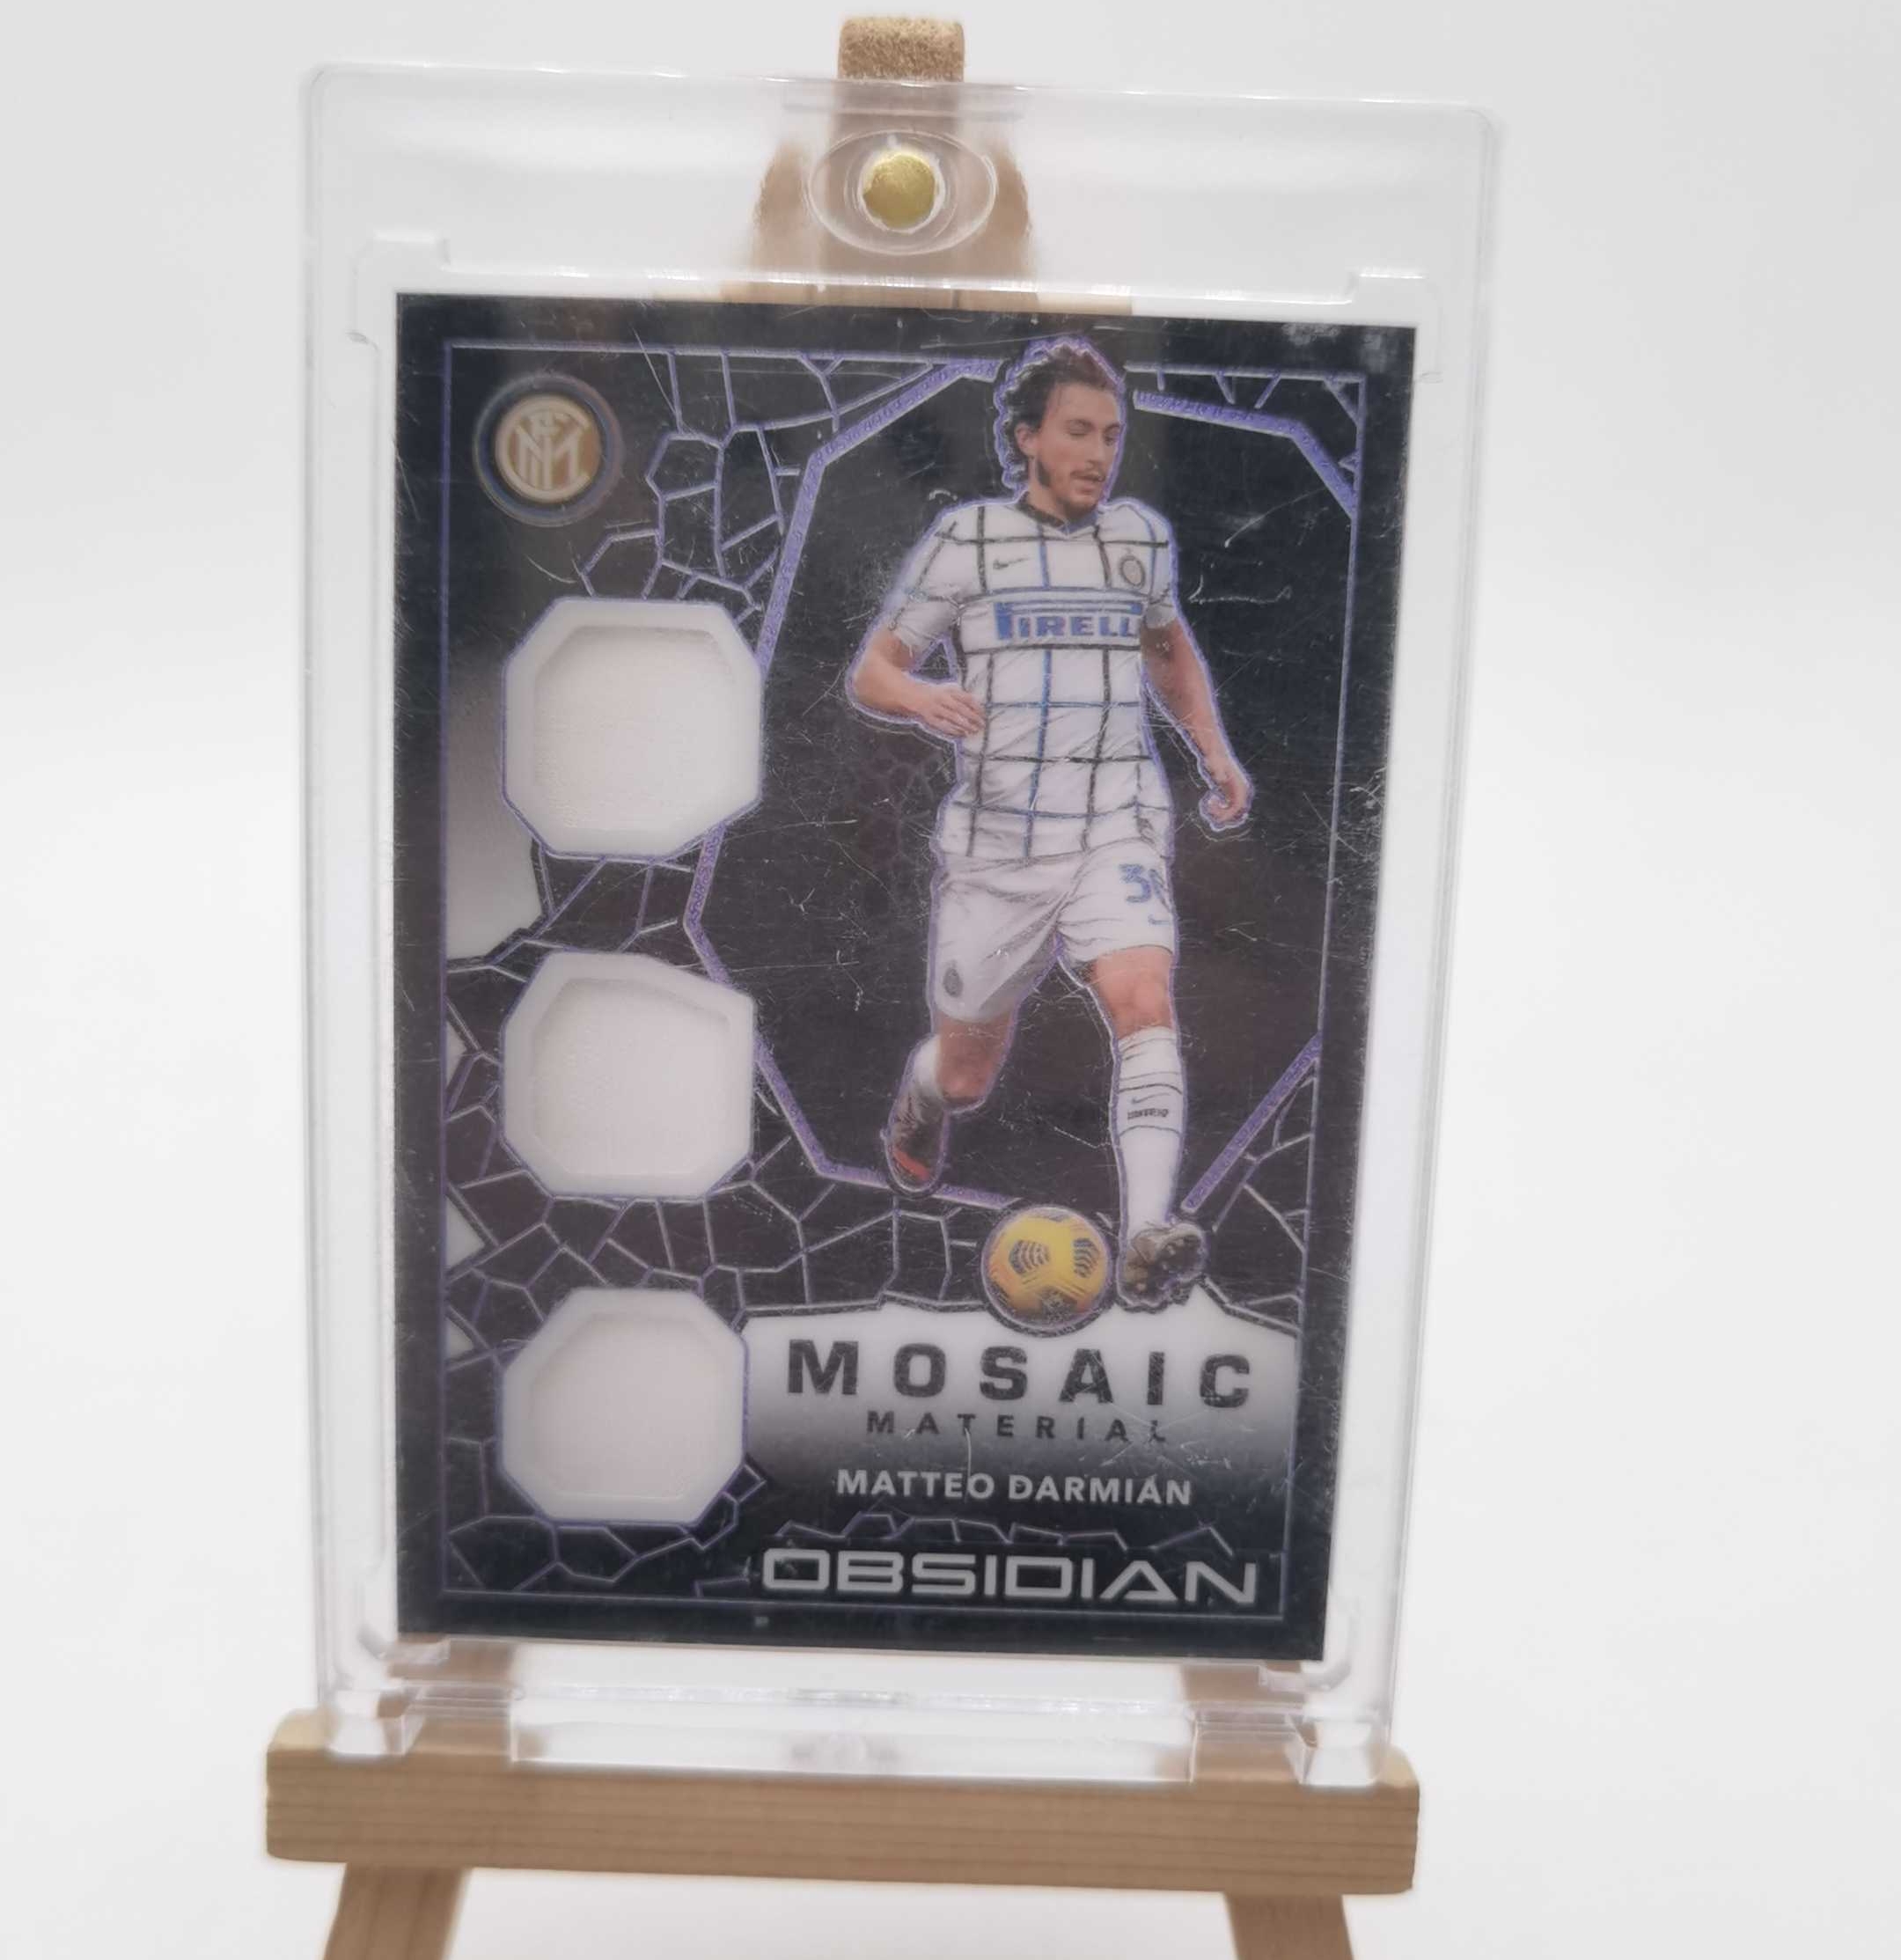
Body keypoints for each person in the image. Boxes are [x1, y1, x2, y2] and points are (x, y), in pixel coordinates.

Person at [848, 341, 1252, 1309]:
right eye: (1078, 431)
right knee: (967, 1074)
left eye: (1111, 435)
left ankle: (1148, 1231)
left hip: (1115, 824)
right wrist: (923, 699)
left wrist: (1212, 748)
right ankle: (920, 1097)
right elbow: (873, 671)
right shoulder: (970, 540)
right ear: (1027, 437)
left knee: (1144, 999)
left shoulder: (1138, 539)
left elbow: (1167, 649)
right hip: (998, 853)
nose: (1099, 453)